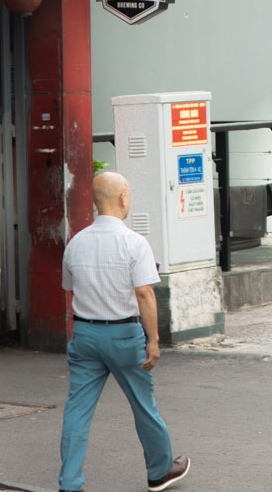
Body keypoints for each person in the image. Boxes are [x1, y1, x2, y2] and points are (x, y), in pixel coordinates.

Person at [58, 171, 188, 492]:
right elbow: (144, 293)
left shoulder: (76, 243)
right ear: (123, 199)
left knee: (77, 410)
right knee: (143, 405)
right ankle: (159, 471)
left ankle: (69, 483)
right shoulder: (134, 243)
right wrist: (154, 340)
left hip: (85, 335)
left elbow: (69, 289)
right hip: (125, 336)